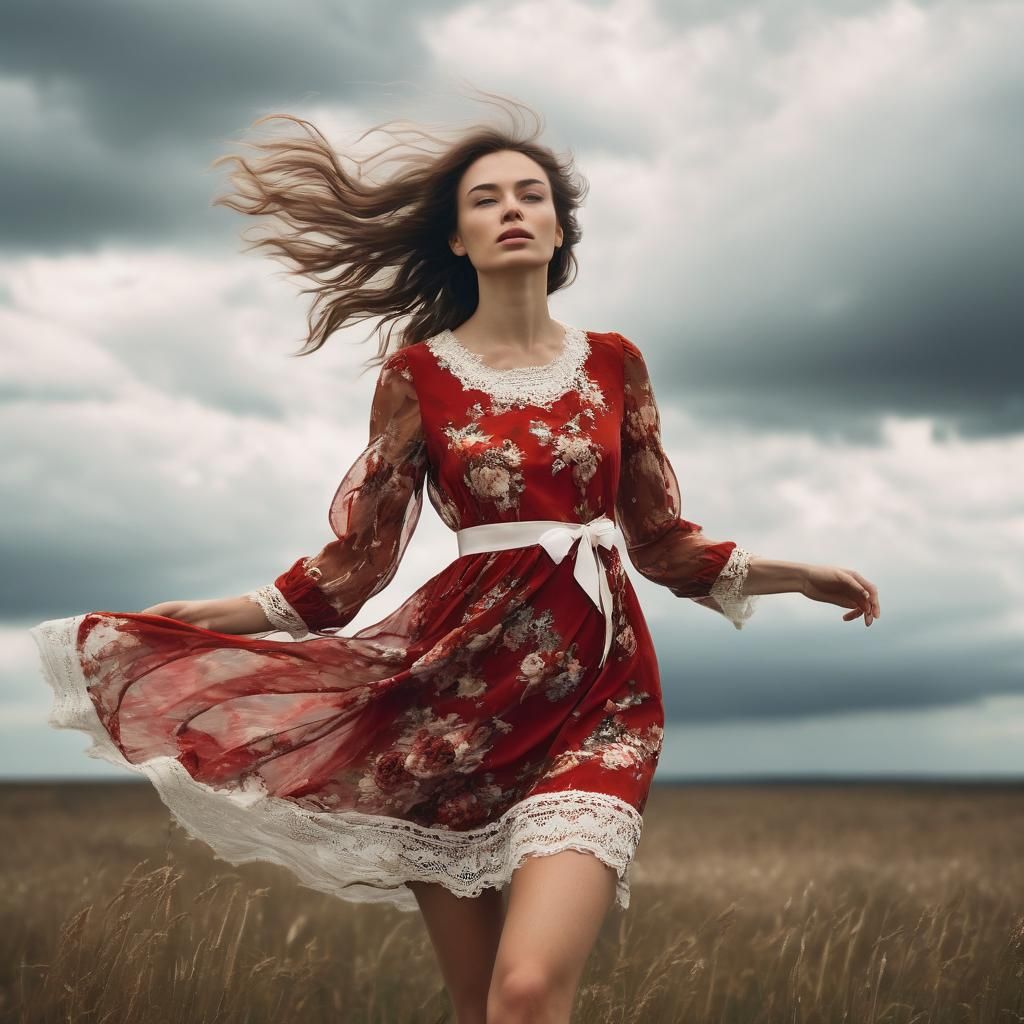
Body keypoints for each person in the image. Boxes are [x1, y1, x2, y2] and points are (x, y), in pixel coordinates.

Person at [29, 101, 880, 1024]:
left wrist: (797, 572)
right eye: (486, 200)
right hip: (453, 698)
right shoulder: (417, 377)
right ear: (460, 238)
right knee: (480, 1007)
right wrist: (219, 614)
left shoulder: (614, 364)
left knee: (526, 990)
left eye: (532, 195)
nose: (512, 209)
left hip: (600, 693)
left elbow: (661, 538)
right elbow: (357, 563)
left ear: (559, 231)